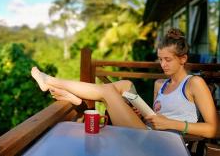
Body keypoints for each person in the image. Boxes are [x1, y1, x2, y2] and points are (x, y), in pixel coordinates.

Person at [31, 28, 218, 138]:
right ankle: (76, 98)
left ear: (183, 59)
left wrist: (170, 123)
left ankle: (51, 81)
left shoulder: (194, 83)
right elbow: (155, 117)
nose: (162, 65)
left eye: (168, 60)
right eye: (160, 59)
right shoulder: (159, 84)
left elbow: (213, 129)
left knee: (108, 92)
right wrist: (142, 114)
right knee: (125, 85)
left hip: (161, 142)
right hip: (149, 131)